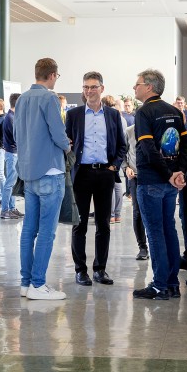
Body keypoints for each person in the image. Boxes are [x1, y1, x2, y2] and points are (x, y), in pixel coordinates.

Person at [131, 69, 187, 300]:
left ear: (149, 87)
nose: (134, 88)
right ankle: (172, 283)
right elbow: (186, 146)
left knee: (155, 233)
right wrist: (178, 172)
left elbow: (148, 149)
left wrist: (169, 174)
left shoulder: (144, 112)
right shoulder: (175, 112)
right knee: (169, 231)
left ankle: (159, 285)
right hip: (170, 182)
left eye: (137, 84)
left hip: (152, 182)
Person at [15, 58, 71, 300]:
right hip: (50, 170)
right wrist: (67, 145)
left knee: (29, 230)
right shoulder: (49, 98)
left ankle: (26, 283)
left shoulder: (22, 99)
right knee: (47, 232)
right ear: (52, 75)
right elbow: (58, 132)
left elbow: (17, 133)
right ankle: (38, 285)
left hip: (28, 172)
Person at [65, 75, 126, 287]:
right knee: (79, 224)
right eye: (85, 87)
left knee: (103, 224)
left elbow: (122, 145)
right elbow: (66, 144)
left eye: (93, 87)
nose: (89, 91)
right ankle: (80, 271)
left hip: (105, 174)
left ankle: (100, 269)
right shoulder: (73, 115)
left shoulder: (113, 114)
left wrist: (114, 166)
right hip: (81, 175)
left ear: (102, 88)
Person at [101, 95, 128, 224]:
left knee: (111, 185)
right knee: (117, 184)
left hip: (113, 155)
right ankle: (117, 214)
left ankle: (111, 214)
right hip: (119, 155)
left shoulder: (112, 116)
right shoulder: (121, 117)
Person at [123, 123, 147, 260]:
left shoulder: (154, 127)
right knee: (137, 211)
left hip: (153, 177)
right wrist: (126, 167)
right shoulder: (129, 131)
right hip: (135, 177)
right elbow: (123, 151)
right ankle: (142, 247)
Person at [1, 93, 23, 219]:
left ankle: (12, 208)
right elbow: (17, 137)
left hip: (14, 153)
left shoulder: (12, 116)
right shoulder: (10, 118)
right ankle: (5, 210)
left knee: (13, 183)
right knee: (9, 183)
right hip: (12, 154)